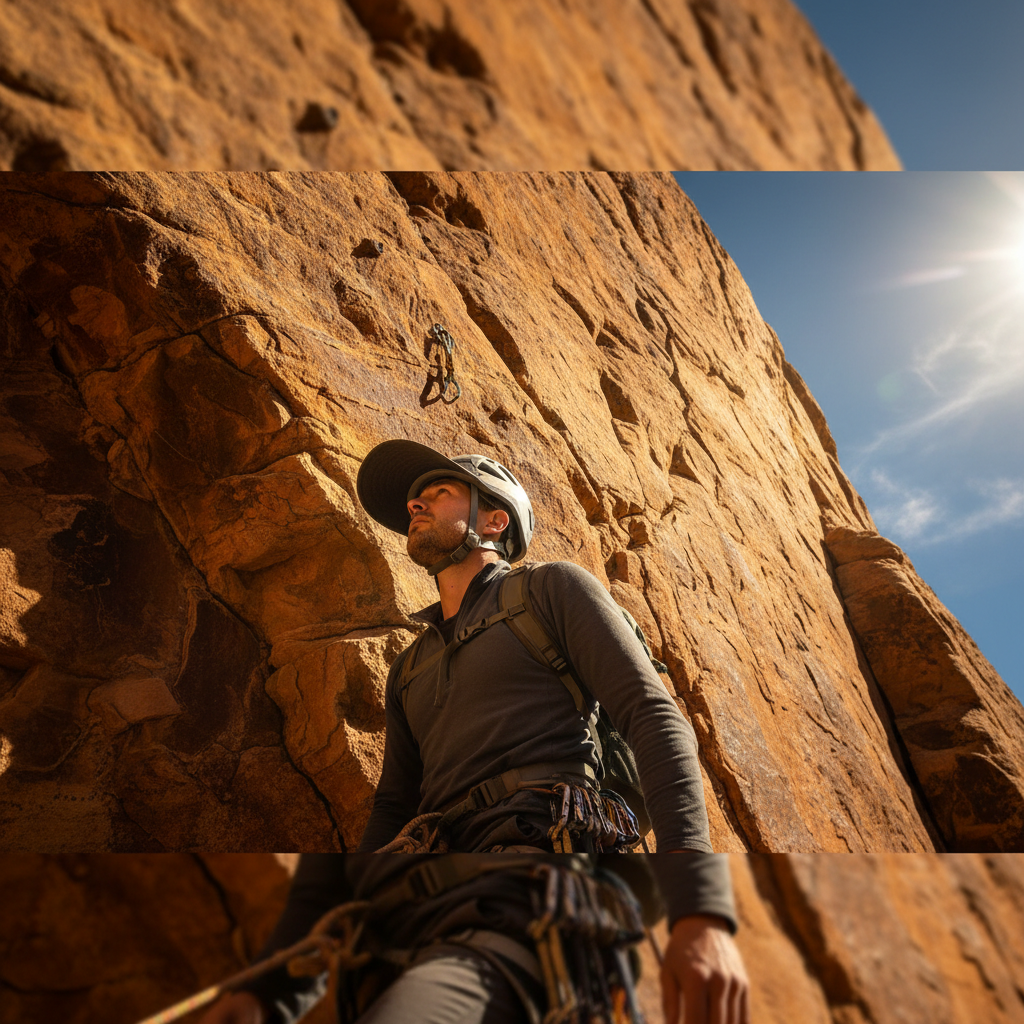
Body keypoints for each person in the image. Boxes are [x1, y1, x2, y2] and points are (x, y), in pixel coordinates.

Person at [352, 440, 712, 856]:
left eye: (441, 493)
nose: (415, 504)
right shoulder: (408, 668)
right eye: (416, 499)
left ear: (494, 522)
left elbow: (651, 714)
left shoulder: (550, 589)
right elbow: (394, 806)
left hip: (545, 841)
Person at [197, 853, 750, 1024]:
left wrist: (703, 914)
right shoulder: (408, 699)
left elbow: (659, 733)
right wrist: (266, 996)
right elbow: (323, 892)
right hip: (398, 966)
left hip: (516, 941)